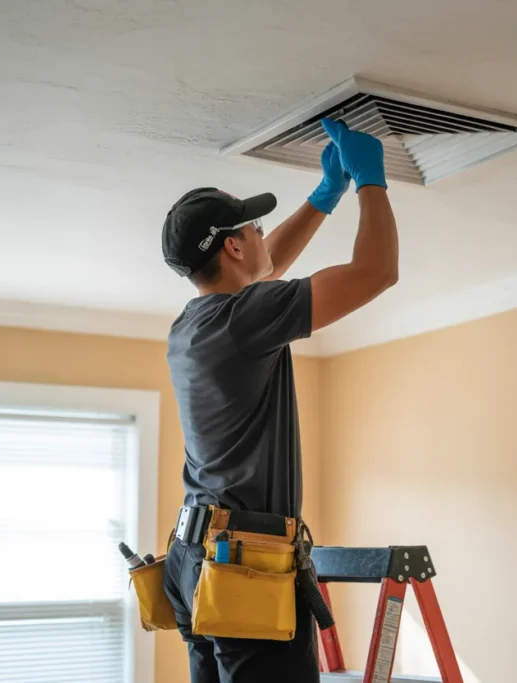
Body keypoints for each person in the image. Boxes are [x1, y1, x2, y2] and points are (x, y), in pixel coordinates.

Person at [159, 118, 399, 682]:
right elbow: (377, 272)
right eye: (255, 227)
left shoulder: (192, 325)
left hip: (195, 560)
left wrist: (323, 200)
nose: (265, 234)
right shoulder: (242, 321)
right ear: (235, 245)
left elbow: (264, 274)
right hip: (244, 565)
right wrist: (370, 180)